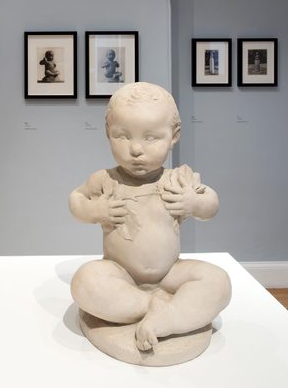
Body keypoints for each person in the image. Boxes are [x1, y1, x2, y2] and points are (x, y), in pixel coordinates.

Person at [68, 82, 231, 355]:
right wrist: (96, 211)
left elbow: (211, 204)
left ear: (174, 136)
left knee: (218, 282)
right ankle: (154, 308)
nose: (135, 149)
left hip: (171, 273)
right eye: (122, 136)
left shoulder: (177, 180)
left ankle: (166, 321)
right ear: (108, 132)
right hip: (119, 273)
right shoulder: (106, 180)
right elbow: (76, 200)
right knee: (85, 282)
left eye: (151, 138)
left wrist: (193, 203)